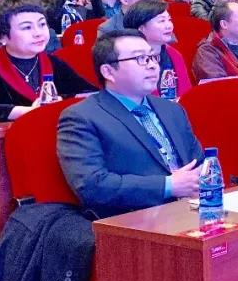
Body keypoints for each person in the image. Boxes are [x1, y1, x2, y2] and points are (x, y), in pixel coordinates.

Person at [57, 30, 205, 218]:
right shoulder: (82, 117)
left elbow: (198, 162)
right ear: (108, 71)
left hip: (191, 210)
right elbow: (92, 185)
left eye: (153, 57)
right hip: (134, 219)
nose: (152, 65)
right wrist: (168, 186)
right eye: (140, 59)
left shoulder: (172, 109)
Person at [0, 0, 96, 122]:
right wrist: (29, 111)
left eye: (42, 24)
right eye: (27, 27)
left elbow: (89, 93)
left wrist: (62, 100)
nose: (38, 33)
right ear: (2, 37)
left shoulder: (54, 63)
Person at [123, 0, 192, 97]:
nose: (169, 26)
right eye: (161, 21)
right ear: (141, 28)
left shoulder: (174, 54)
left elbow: (187, 94)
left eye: (169, 20)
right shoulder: (128, 60)